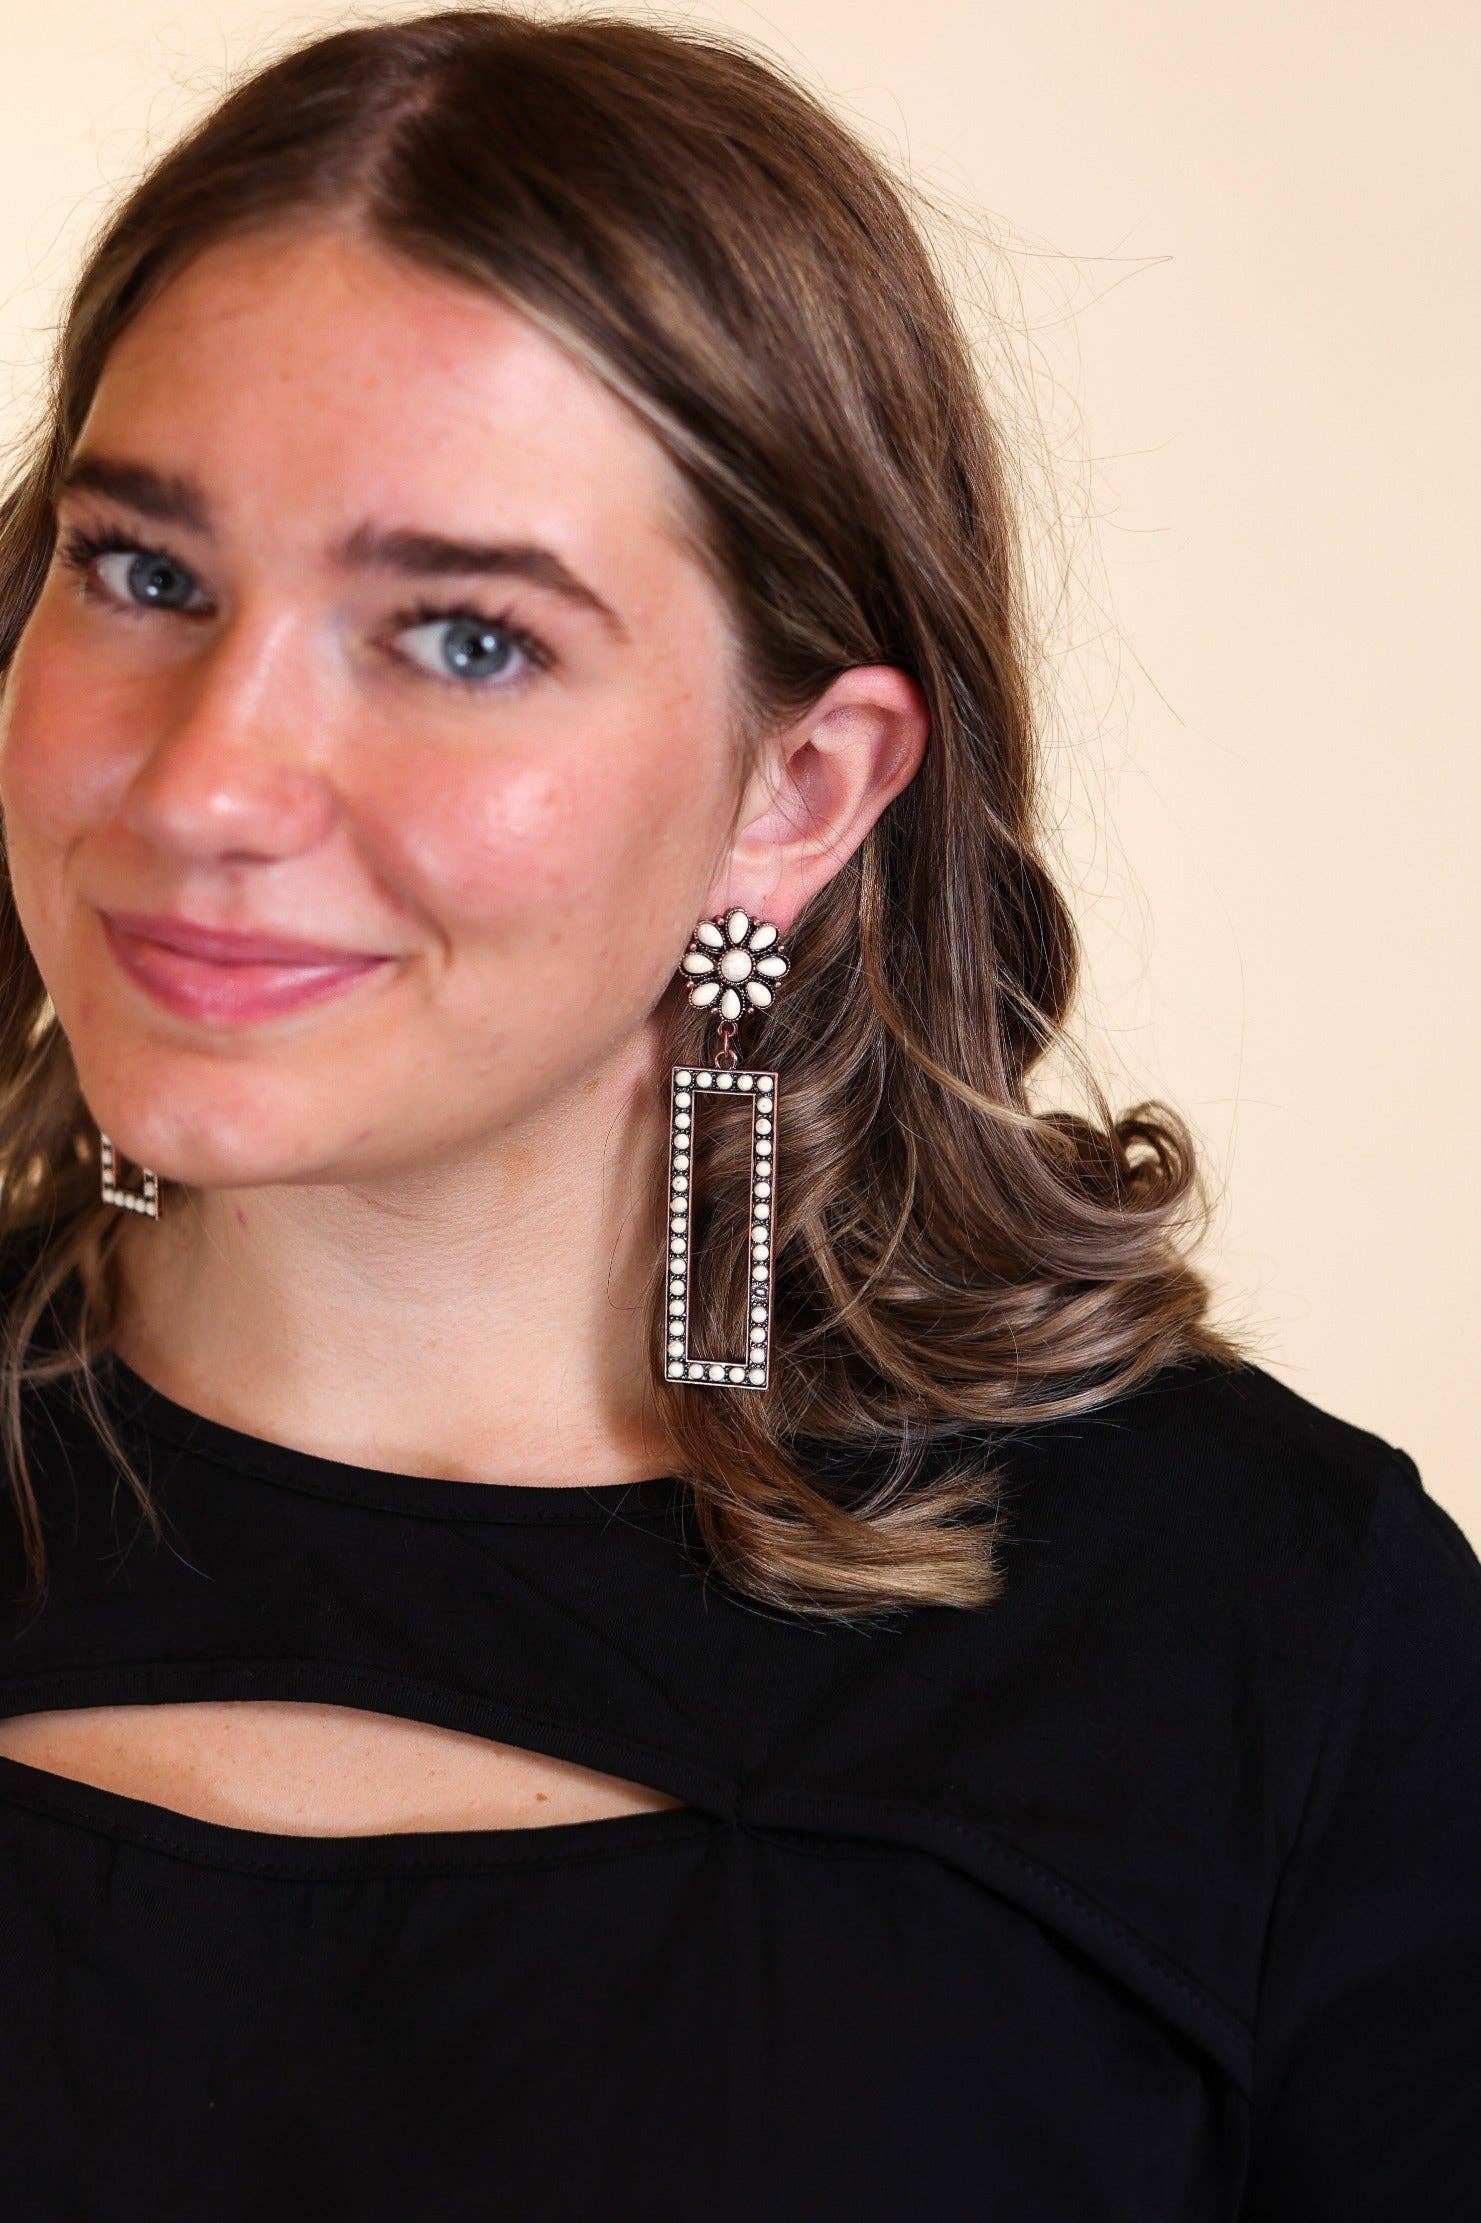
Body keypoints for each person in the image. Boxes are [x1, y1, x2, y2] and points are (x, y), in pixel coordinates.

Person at [0, 11, 1475, 2218]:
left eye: (466, 636)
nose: (206, 779)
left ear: (797, 790)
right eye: (144, 572)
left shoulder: (1260, 1638)